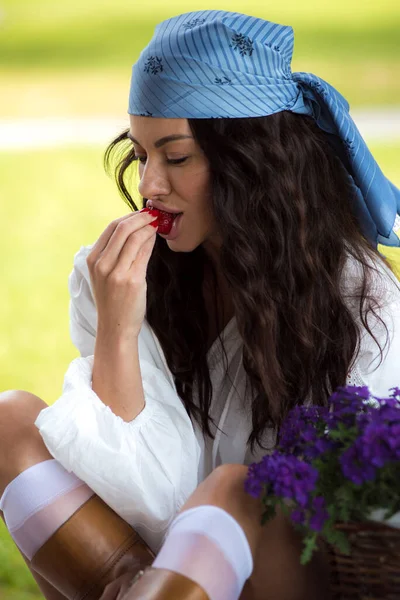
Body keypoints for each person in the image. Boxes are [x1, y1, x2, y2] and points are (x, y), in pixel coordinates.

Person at [1, 9, 400, 600]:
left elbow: (368, 522)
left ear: (251, 161)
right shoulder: (116, 279)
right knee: (10, 420)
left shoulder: (356, 297)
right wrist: (117, 329)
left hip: (295, 571)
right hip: (150, 559)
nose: (149, 185)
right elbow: (147, 500)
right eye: (140, 155)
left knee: (236, 488)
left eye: (177, 157)